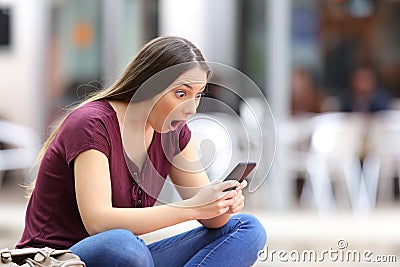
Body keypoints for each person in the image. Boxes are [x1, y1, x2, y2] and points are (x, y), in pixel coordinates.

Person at [16, 36, 266, 267]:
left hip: (130, 258)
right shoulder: (92, 124)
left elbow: (211, 219)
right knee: (124, 245)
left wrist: (221, 205)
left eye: (198, 95)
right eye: (181, 94)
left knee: (247, 227)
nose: (191, 108)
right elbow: (98, 222)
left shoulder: (172, 133)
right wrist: (193, 208)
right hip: (59, 258)